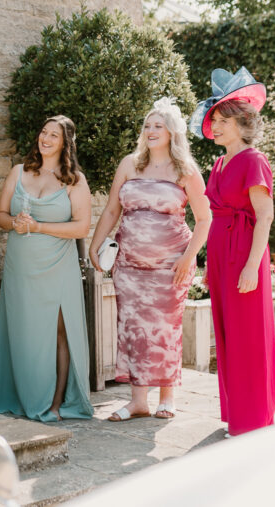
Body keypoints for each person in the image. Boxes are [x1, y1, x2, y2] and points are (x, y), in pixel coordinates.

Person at [89, 98, 211, 422]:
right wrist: (95, 243)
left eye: (159, 126)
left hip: (171, 265)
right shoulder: (129, 164)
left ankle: (167, 397)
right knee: (132, 328)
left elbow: (204, 219)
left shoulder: (186, 170)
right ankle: (138, 401)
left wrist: (188, 257)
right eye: (147, 125)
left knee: (164, 330)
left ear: (172, 132)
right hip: (129, 266)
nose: (151, 130)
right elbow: (112, 209)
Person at [0, 116, 94, 422]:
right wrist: (15, 223)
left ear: (66, 143)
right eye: (44, 132)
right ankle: (19, 395)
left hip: (57, 267)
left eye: (54, 135)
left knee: (58, 333)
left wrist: (39, 226)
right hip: (20, 267)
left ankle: (55, 402)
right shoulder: (18, 172)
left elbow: (81, 227)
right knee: (21, 330)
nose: (45, 139)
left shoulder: (75, 181)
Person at [190, 67, 275, 436]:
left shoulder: (254, 160)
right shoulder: (218, 162)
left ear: (243, 124)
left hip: (244, 254)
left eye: (224, 121)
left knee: (248, 337)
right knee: (227, 335)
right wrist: (210, 266)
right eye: (214, 120)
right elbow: (214, 216)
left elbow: (265, 216)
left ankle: (254, 418)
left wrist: (251, 266)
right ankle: (237, 413)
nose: (216, 126)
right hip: (221, 253)